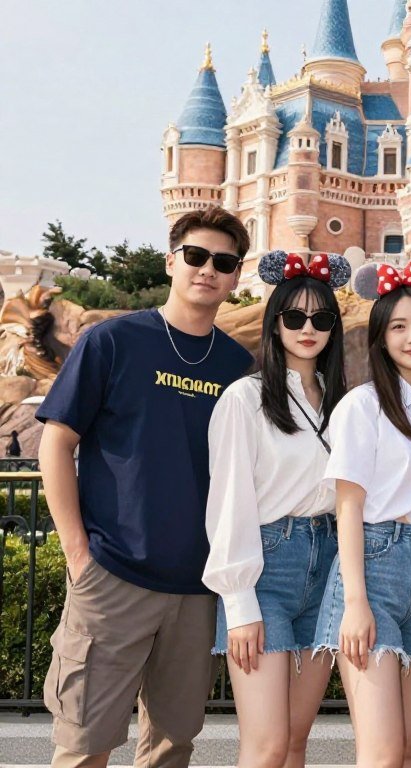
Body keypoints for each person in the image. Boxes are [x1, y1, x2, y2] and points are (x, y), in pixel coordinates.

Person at [36, 207, 253, 768]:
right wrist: (77, 553)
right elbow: (56, 444)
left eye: (223, 262)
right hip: (112, 578)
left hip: (197, 589)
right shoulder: (112, 342)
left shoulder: (238, 367)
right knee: (84, 746)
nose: (208, 270)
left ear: (235, 277)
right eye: (197, 256)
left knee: (172, 747)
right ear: (172, 261)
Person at [203, 250, 350, 768]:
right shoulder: (246, 398)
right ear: (275, 322)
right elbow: (228, 501)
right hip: (267, 566)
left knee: (294, 740)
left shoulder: (343, 402)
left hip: (329, 562)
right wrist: (239, 603)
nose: (308, 328)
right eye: (294, 316)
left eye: (321, 318)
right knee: (264, 745)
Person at [313, 257, 411, 767]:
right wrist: (355, 602)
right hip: (375, 569)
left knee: (410, 748)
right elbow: (347, 509)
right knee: (382, 753)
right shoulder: (362, 406)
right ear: (381, 338)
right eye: (397, 327)